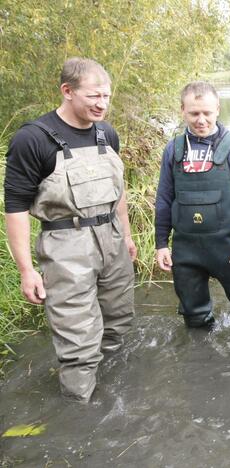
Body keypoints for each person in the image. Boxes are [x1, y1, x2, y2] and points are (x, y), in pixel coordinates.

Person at [4, 58, 137, 402]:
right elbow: (16, 207)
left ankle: (114, 394)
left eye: (107, 96)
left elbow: (117, 190)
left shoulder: (106, 133)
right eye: (94, 96)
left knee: (119, 320)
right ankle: (81, 411)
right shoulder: (33, 139)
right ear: (67, 91)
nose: (102, 104)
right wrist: (26, 270)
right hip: (66, 245)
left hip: (111, 238)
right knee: (78, 337)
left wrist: (127, 234)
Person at [155, 81, 230, 328]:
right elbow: (164, 198)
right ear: (182, 110)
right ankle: (199, 362)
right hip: (186, 251)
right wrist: (161, 243)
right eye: (194, 113)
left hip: (228, 248)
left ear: (218, 109)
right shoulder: (173, 150)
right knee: (194, 319)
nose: (201, 120)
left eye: (207, 113)